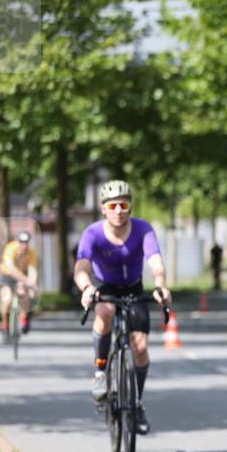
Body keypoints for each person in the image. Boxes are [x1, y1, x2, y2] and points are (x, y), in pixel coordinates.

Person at [73, 180, 172, 435]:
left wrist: (160, 286)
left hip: (134, 287)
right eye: (113, 205)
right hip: (104, 286)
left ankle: (137, 403)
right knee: (104, 311)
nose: (118, 210)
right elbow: (82, 267)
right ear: (103, 209)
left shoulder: (142, 229)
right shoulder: (92, 233)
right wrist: (86, 288)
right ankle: (100, 373)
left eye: (124, 205)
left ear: (130, 208)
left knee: (140, 347)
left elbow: (156, 263)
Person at [0, 231, 38, 342]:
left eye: (26, 242)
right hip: (8, 276)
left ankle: (25, 320)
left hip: (22, 277)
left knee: (26, 296)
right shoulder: (10, 248)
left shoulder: (32, 253)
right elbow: (11, 269)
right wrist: (27, 281)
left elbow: (33, 271)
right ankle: (5, 327)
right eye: (21, 242)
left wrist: (32, 285)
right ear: (17, 241)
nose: (23, 245)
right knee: (7, 300)